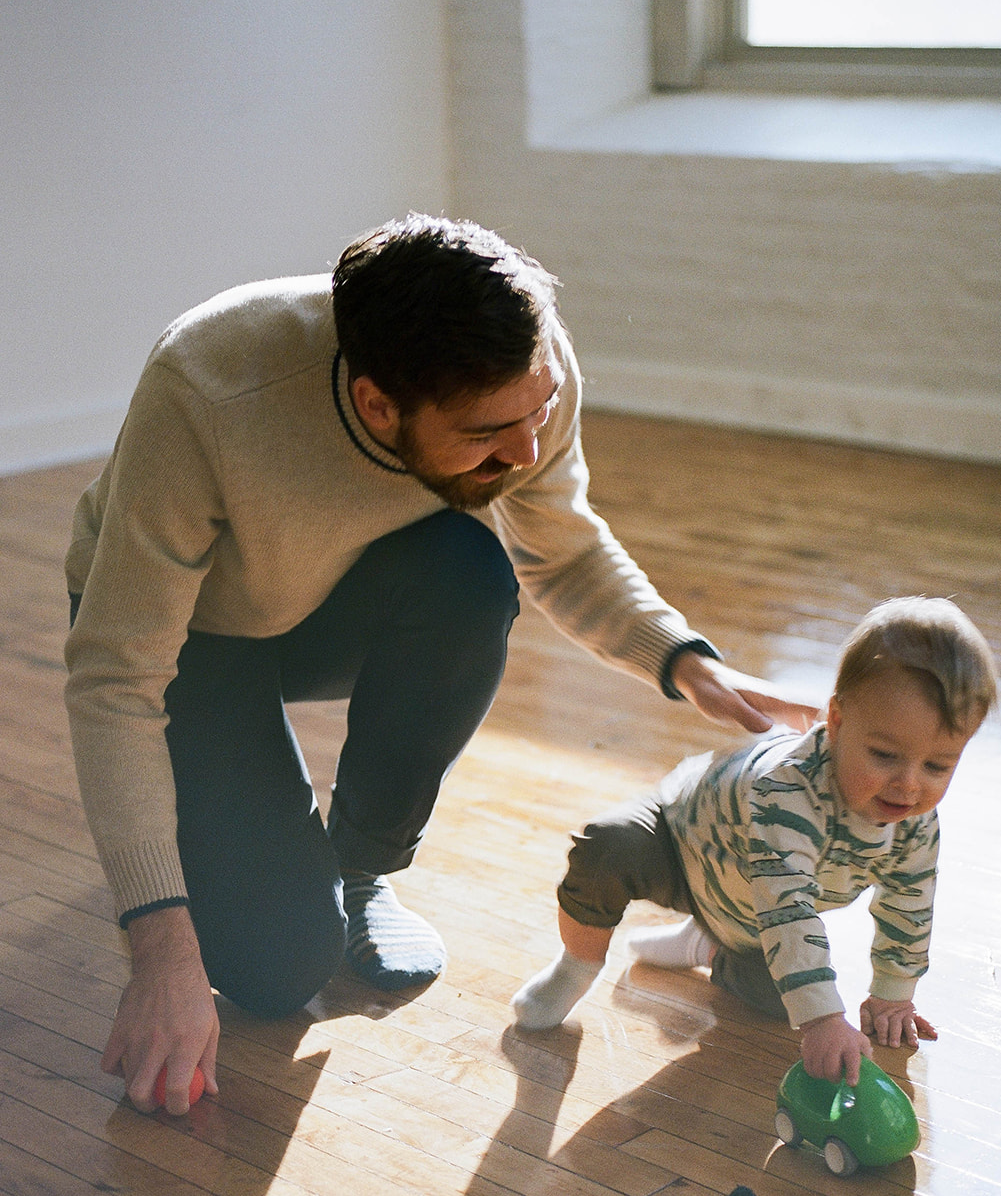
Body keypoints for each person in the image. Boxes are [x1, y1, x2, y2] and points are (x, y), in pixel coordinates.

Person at [64, 213, 817, 1114]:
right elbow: (117, 682)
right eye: (489, 432)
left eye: (537, 414)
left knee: (468, 572)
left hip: (333, 600)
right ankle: (257, 833)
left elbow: (562, 548)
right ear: (380, 405)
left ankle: (356, 866)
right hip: (191, 637)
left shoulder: (524, 370)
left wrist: (691, 664)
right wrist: (158, 949)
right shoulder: (209, 386)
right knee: (276, 975)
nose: (526, 451)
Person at [512, 596, 997, 1084]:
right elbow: (788, 906)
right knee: (607, 848)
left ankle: (707, 945)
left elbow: (909, 907)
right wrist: (825, 1020)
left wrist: (894, 995)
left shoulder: (915, 825)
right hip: (680, 840)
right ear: (838, 721)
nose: (910, 785)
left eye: (938, 765)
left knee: (780, 998)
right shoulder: (788, 788)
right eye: (885, 754)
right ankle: (575, 966)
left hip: (746, 908)